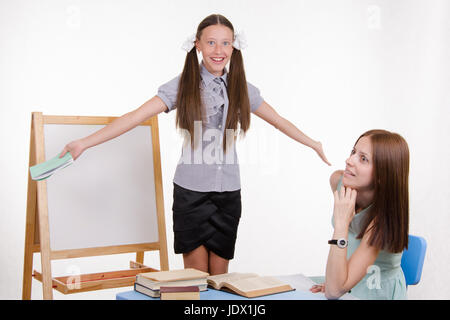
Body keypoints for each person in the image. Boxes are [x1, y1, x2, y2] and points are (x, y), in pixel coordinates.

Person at [59, 14, 330, 275]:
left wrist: (313, 143)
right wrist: (85, 142)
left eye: (226, 43)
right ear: (197, 45)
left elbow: (279, 121)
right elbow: (134, 117)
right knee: (196, 282)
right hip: (191, 194)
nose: (219, 50)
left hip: (228, 195)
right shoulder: (183, 85)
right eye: (211, 42)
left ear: (234, 46)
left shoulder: (241, 87)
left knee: (219, 280)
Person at [309, 129, 409, 299]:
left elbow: (333, 292)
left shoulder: (380, 223)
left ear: (382, 176)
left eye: (363, 159)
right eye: (353, 152)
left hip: (374, 289)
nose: (349, 161)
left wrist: (341, 224)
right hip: (347, 280)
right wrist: (335, 280)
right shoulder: (338, 181)